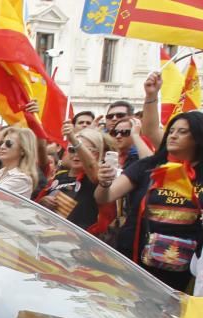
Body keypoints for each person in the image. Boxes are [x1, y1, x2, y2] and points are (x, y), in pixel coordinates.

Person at [95, 112, 203, 292]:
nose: (173, 135)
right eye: (171, 131)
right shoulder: (147, 166)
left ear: (198, 138)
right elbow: (104, 197)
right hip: (133, 259)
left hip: (179, 268)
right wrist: (104, 183)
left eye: (182, 132)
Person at [37, 124, 103, 231]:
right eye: (72, 149)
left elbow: (91, 166)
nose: (77, 154)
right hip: (47, 234)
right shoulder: (59, 175)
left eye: (83, 150)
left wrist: (73, 139)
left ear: (96, 154)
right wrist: (43, 202)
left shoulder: (95, 179)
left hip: (77, 241)